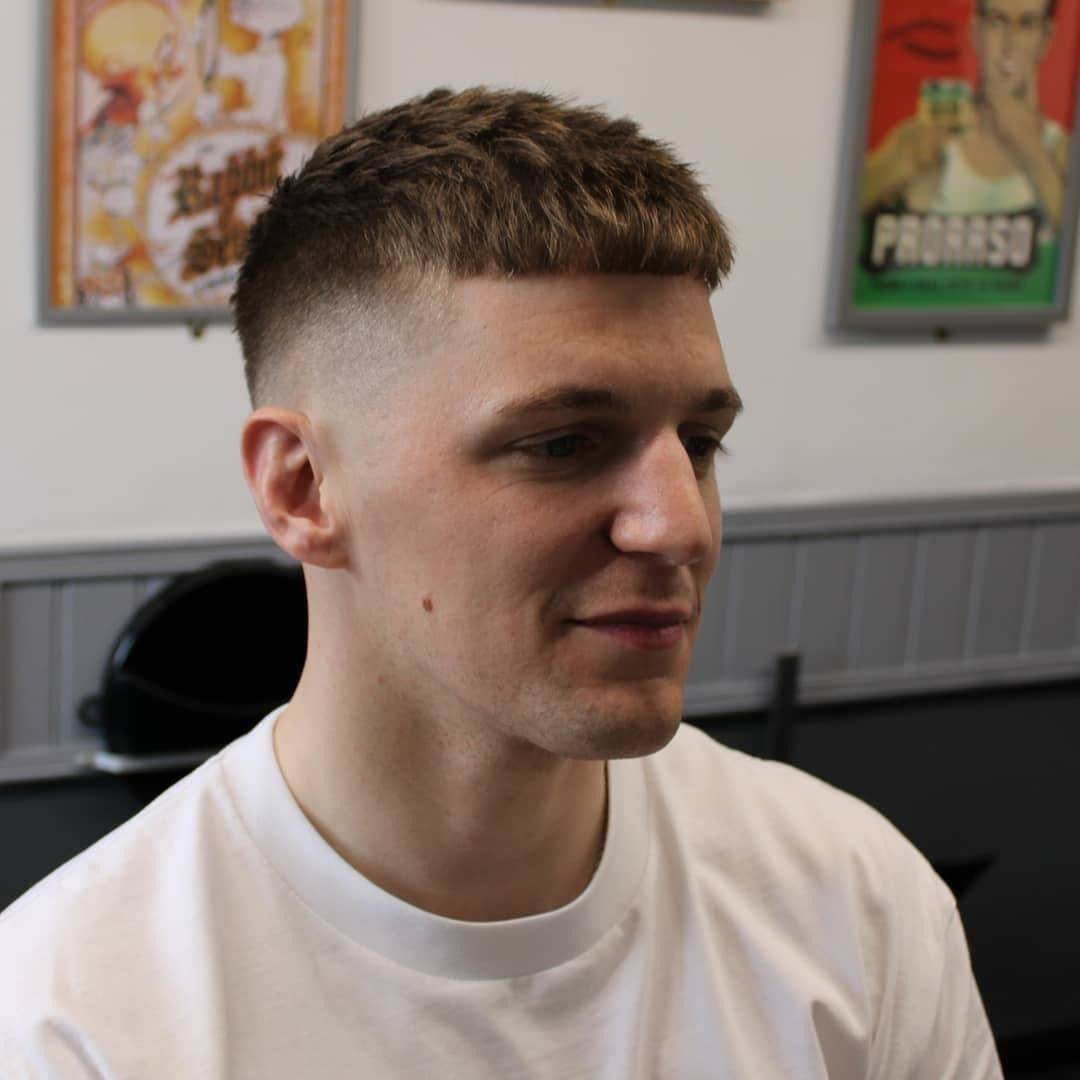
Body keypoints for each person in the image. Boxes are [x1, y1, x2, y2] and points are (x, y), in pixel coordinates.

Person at [0, 87, 1003, 1077]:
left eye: (699, 443)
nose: (681, 527)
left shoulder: (856, 902)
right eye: (563, 443)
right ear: (304, 488)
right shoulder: (71, 1024)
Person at [861, 0, 1069, 229]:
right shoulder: (917, 140)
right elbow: (838, 203)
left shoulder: (1061, 152)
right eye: (997, 22)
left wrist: (1036, 158)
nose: (1010, 44)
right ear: (976, 32)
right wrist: (896, 170)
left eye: (1027, 24)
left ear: (1047, 37)